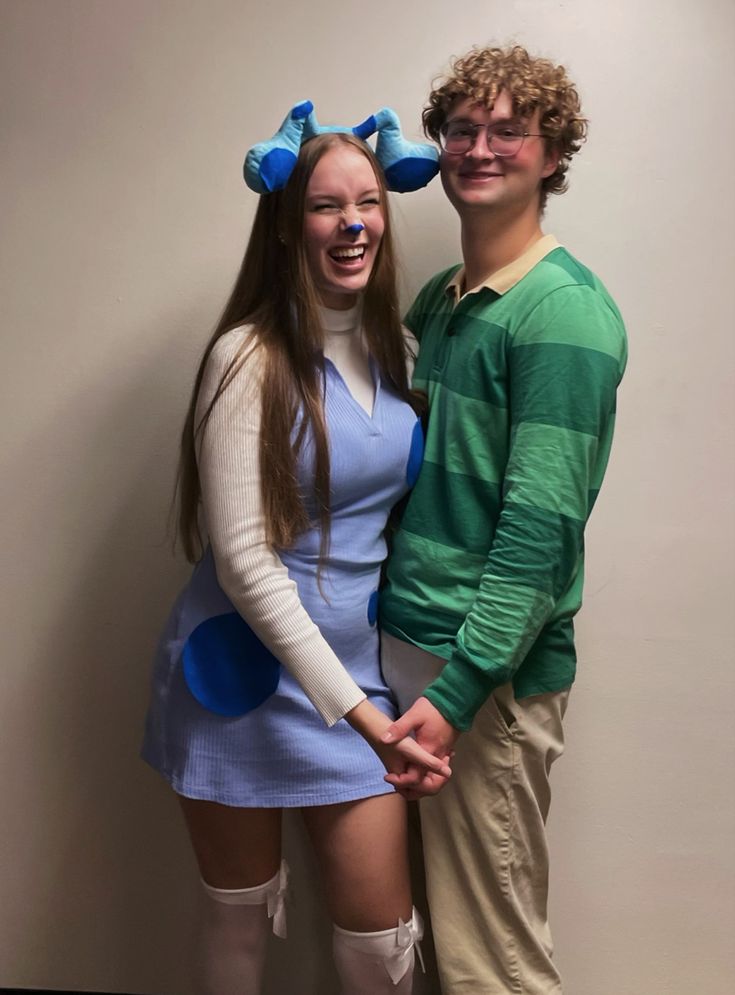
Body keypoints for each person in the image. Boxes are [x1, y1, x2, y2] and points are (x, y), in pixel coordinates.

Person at [142, 123, 451, 995]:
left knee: (382, 940)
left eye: (366, 203)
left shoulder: (400, 352)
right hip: (238, 682)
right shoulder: (245, 355)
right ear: (286, 225)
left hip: (361, 684)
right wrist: (359, 713)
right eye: (325, 206)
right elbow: (242, 560)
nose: (352, 224)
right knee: (238, 924)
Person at [379, 45, 628, 994]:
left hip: (479, 686)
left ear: (552, 155)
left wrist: (451, 701)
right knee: (433, 943)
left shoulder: (560, 312)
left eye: (508, 130)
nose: (479, 147)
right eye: (461, 129)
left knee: (494, 959)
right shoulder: (441, 303)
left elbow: (537, 537)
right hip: (410, 656)